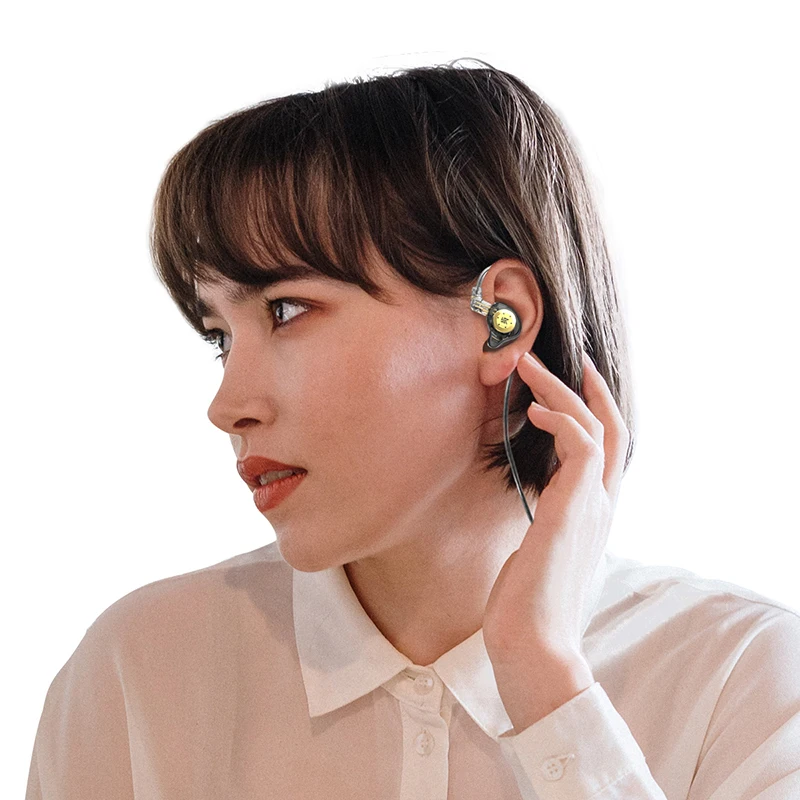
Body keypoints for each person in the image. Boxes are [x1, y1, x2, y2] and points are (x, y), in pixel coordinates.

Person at [26, 59, 800, 799]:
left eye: (286, 310)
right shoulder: (139, 671)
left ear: (500, 320)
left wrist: (546, 680)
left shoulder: (740, 677)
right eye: (220, 338)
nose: (228, 406)